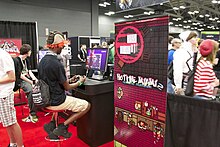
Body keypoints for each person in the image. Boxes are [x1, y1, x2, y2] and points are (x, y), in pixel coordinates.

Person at [39, 31, 91, 139]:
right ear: (57, 46)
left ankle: (52, 123)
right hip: (57, 101)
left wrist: (69, 80)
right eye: (62, 46)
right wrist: (80, 82)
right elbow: (67, 87)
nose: (62, 49)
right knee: (86, 106)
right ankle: (62, 127)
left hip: (46, 99)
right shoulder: (56, 64)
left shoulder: (43, 60)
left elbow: (53, 81)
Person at [0, 48, 24, 147]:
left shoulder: (2, 55)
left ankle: (20, 145)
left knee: (12, 122)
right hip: (2, 93)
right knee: (7, 122)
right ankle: (13, 143)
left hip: (4, 94)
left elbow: (11, 77)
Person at [18, 44, 39, 123]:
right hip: (21, 80)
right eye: (30, 51)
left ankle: (38, 108)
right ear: (27, 52)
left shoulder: (27, 60)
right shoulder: (17, 60)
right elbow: (20, 75)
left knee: (39, 86)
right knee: (31, 90)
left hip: (27, 78)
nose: (31, 52)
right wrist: (31, 82)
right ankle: (32, 113)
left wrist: (35, 79)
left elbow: (29, 71)